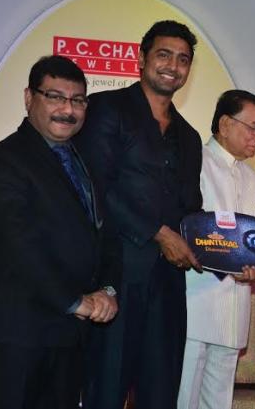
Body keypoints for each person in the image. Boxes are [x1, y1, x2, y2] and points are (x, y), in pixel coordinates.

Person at [76, 20, 204, 409]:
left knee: (161, 392)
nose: (173, 66)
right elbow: (95, 186)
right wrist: (159, 233)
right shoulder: (107, 109)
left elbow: (191, 208)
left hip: (168, 283)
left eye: (183, 59)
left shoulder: (189, 136)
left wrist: (228, 255)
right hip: (115, 274)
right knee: (106, 388)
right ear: (142, 57)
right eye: (164, 54)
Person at [0, 55, 118, 409]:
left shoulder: (85, 161)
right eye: (55, 97)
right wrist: (77, 302)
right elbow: (18, 244)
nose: (67, 110)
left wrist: (108, 289)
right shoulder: (0, 159)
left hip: (70, 339)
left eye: (78, 100)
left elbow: (103, 235)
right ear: (29, 98)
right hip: (17, 336)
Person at [177, 90, 255, 409]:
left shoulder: (254, 178)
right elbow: (189, 230)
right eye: (253, 127)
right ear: (225, 124)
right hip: (195, 303)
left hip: (235, 310)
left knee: (218, 403)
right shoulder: (194, 163)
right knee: (183, 398)